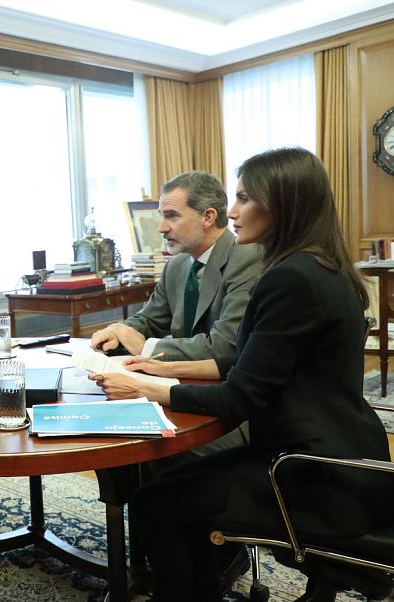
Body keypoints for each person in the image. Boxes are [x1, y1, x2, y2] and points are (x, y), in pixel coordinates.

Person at [92, 148, 392, 601]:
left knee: (152, 503)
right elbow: (253, 363)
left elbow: (239, 397)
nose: (232, 211)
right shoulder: (322, 267)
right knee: (166, 487)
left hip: (309, 473)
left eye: (245, 198)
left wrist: (147, 389)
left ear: (283, 203)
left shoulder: (290, 279)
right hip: (345, 455)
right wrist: (161, 369)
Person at [90, 170, 262, 361]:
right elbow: (149, 320)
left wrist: (144, 347)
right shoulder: (176, 265)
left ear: (208, 217)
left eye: (172, 216)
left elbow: (225, 346)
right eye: (162, 216)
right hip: (176, 372)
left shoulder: (247, 258)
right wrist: (117, 332)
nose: (161, 228)